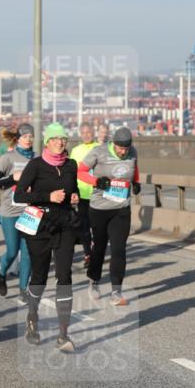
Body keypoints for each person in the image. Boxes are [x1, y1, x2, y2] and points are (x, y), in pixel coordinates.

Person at [13, 122, 80, 352]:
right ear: (48, 142)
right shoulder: (36, 165)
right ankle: (32, 316)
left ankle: (63, 335)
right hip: (40, 226)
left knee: (65, 276)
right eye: (56, 139)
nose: (60, 142)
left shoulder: (71, 165)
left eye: (64, 139)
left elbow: (74, 191)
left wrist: (74, 198)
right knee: (40, 276)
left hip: (65, 226)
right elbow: (20, 196)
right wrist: (48, 196)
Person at [78, 127, 141, 306]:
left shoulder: (132, 152)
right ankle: (93, 281)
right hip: (99, 208)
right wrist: (96, 181)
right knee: (99, 248)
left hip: (121, 208)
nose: (123, 152)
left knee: (119, 249)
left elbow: (134, 168)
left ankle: (116, 292)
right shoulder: (99, 152)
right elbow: (80, 171)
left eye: (126, 149)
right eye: (120, 148)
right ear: (113, 144)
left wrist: (136, 183)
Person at [0, 125, 34, 303]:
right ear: (18, 138)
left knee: (28, 252)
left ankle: (24, 289)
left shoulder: (37, 159)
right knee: (12, 251)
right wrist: (12, 178)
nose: (29, 139)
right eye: (25, 136)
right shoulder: (8, 158)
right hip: (10, 210)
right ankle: (1, 274)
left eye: (31, 136)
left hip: (29, 211)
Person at [69, 123, 100, 267]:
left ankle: (95, 250)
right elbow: (71, 172)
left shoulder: (100, 148)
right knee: (84, 228)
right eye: (83, 132)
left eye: (89, 132)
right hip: (82, 195)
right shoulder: (76, 150)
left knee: (98, 227)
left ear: (93, 132)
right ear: (80, 134)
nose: (86, 135)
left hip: (98, 194)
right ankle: (88, 254)